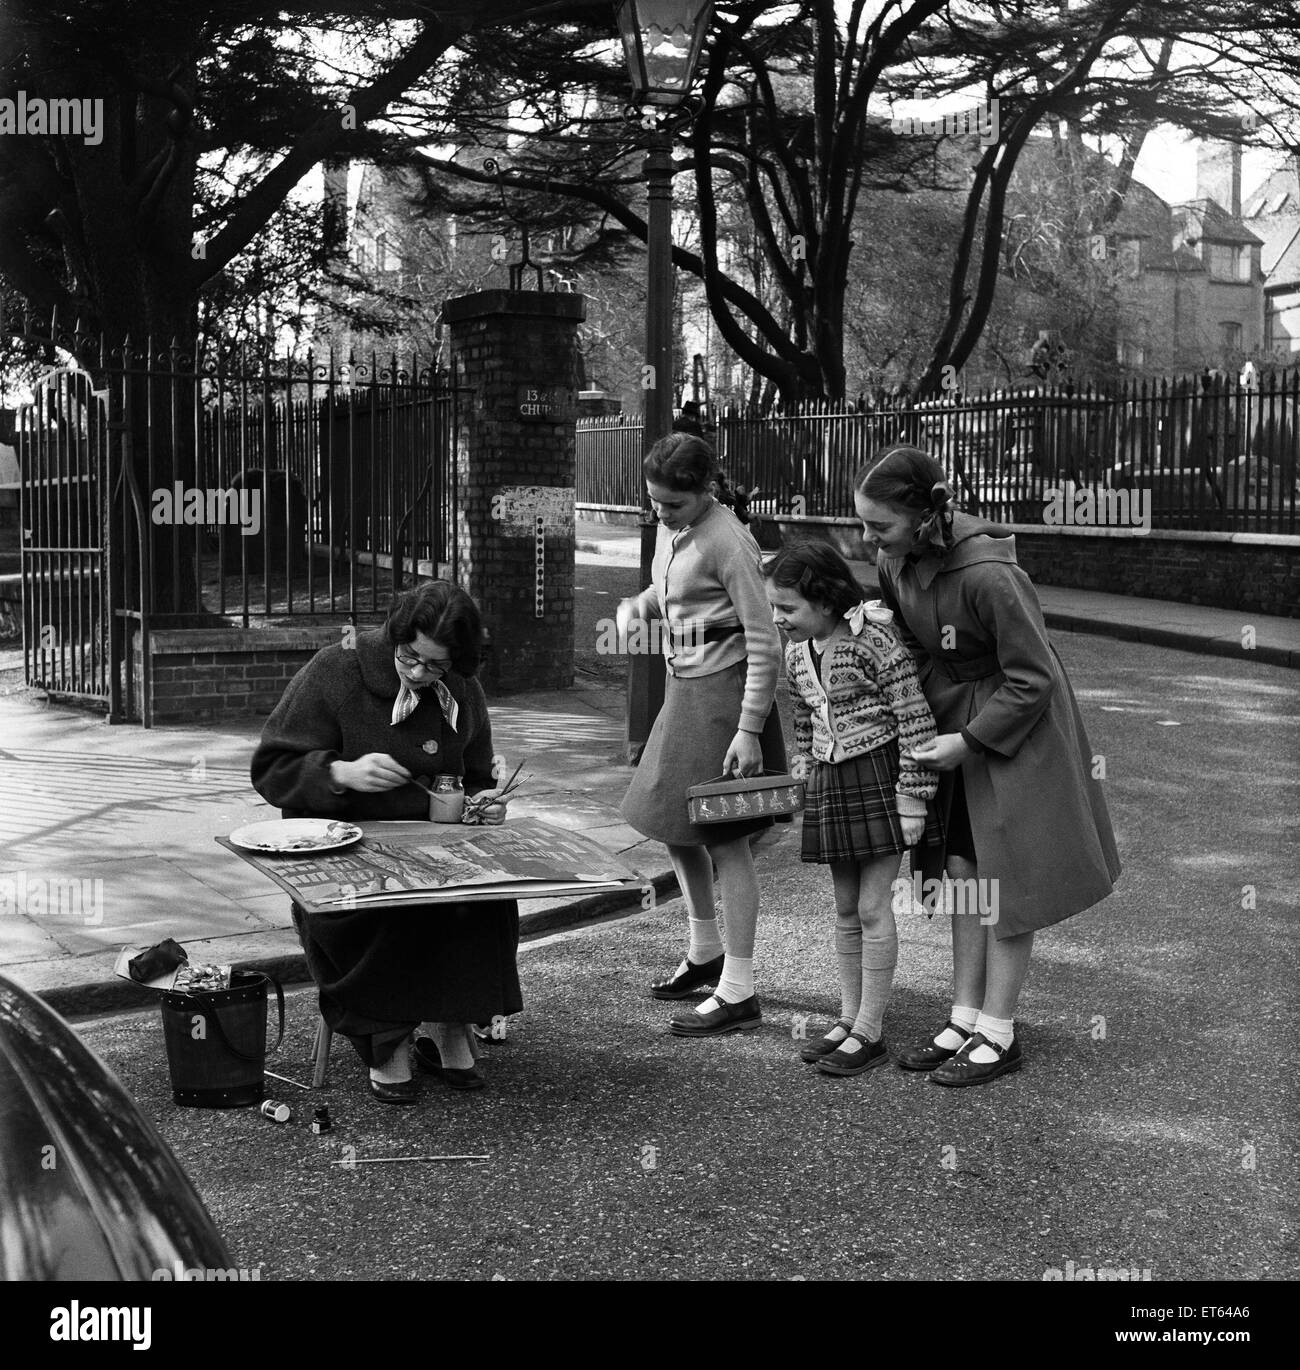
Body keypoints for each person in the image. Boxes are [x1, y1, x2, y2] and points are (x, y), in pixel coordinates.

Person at [853, 446, 1121, 1086]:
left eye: (880, 527)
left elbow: (1033, 679)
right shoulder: (897, 561)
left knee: (1007, 879)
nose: (869, 540)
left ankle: (999, 1032)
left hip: (1013, 732)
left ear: (923, 517)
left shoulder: (993, 576)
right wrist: (912, 719)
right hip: (953, 724)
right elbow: (917, 651)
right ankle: (964, 1016)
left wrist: (969, 741)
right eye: (863, 524)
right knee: (964, 869)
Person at [250, 581, 520, 1104]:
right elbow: (270, 770)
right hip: (343, 849)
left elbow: (479, 774)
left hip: (435, 847)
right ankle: (387, 1041)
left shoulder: (462, 689)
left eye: (436, 666)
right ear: (396, 635)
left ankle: (450, 1023)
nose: (420, 674)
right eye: (410, 657)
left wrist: (485, 802)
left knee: (482, 900)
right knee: (388, 910)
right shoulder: (337, 669)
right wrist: (341, 773)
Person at [618, 432, 787, 1037]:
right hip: (684, 688)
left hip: (725, 697)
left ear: (705, 491)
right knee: (672, 825)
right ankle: (705, 951)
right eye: (654, 503)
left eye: (673, 506)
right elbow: (673, 593)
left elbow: (766, 638)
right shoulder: (677, 530)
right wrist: (639, 606)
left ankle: (738, 987)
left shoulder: (728, 539)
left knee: (725, 839)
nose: (662, 515)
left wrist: (748, 729)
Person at [764, 542, 942, 1076]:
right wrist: (802, 778)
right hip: (832, 782)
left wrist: (913, 797)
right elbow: (803, 720)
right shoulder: (797, 655)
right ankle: (847, 1018)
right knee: (844, 908)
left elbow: (915, 719)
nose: (778, 618)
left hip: (880, 780)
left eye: (787, 608)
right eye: (774, 608)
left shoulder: (875, 640)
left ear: (824, 599)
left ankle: (870, 1029)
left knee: (871, 908)